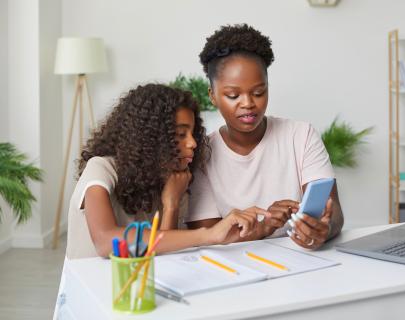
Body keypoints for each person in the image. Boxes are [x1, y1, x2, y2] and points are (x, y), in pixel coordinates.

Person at [186, 24, 344, 249]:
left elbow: (334, 212)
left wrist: (323, 229)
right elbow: (208, 237)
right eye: (233, 95)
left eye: (259, 92)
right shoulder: (203, 154)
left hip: (302, 262)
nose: (248, 103)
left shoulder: (300, 135)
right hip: (235, 271)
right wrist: (264, 227)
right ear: (213, 96)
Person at [66, 83, 266, 259]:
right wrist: (209, 235)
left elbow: (160, 256)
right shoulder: (101, 168)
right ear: (149, 138)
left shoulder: (175, 182)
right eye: (180, 134)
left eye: (192, 133)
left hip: (136, 289)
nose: (193, 142)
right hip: (92, 288)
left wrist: (171, 204)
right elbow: (105, 241)